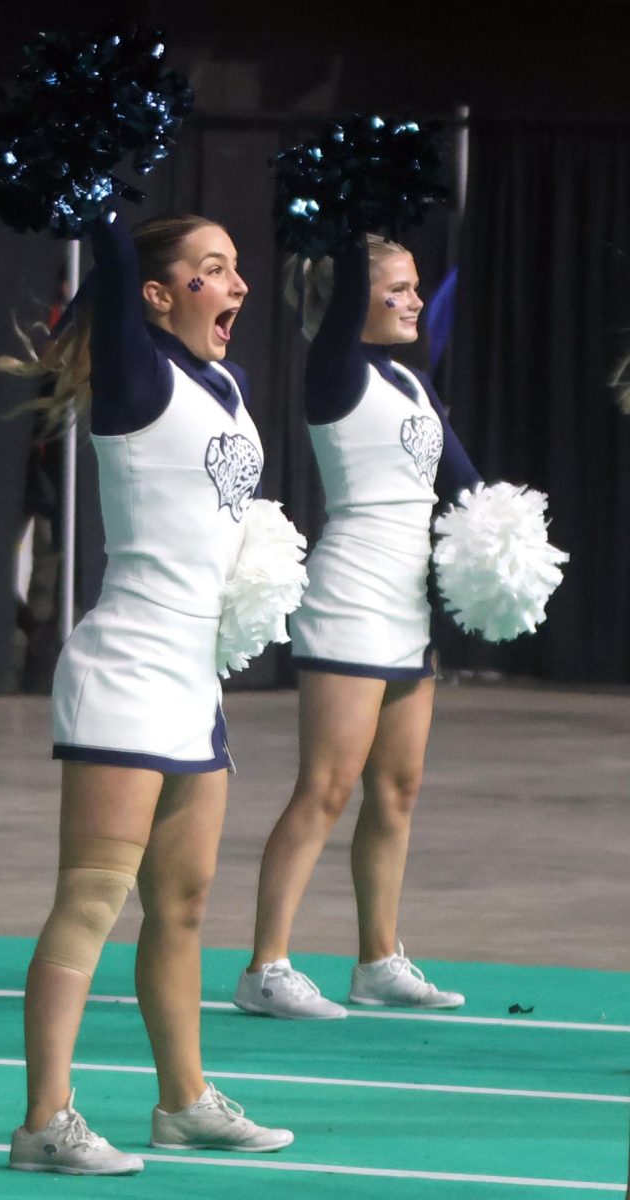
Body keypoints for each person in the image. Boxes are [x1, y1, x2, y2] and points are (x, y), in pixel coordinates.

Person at [0, 208, 295, 1174]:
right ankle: (45, 1121)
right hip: (125, 668)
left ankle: (185, 1101)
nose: (239, 287)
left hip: (191, 679)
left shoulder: (227, 385)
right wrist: (99, 182)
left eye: (238, 269)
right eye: (214, 270)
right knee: (90, 900)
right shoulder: (136, 376)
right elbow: (116, 262)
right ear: (157, 296)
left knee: (185, 904)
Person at [234, 234, 481, 1020]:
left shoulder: (411, 382)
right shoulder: (337, 371)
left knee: (398, 789)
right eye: (398, 289)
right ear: (353, 300)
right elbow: (344, 289)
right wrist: (355, 195)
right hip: (350, 597)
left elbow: (466, 481)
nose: (414, 301)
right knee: (328, 787)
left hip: (408, 603)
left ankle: (378, 959)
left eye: (416, 288)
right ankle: (265, 966)